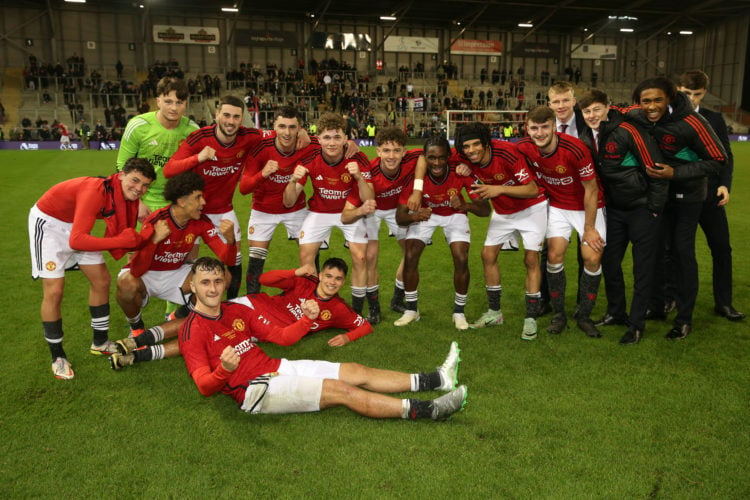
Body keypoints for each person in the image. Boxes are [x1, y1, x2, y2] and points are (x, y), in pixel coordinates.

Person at [178, 257, 467, 420]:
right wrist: (224, 370)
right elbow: (204, 386)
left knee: (355, 371)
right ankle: (429, 410)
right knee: (341, 390)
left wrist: (306, 320)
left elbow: (282, 337)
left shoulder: (234, 308)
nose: (213, 288)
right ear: (193, 286)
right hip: (255, 390)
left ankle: (437, 379)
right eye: (205, 283)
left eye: (217, 281)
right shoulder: (191, 330)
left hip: (275, 365)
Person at [109, 257, 373, 368]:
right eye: (328, 275)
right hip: (251, 305)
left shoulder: (338, 309)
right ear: (321, 274)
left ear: (343, 282)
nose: (331, 282)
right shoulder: (305, 283)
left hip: (264, 331)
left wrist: (347, 337)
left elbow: (365, 326)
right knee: (198, 323)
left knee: (209, 339)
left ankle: (139, 356)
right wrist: (295, 272)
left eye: (338, 279)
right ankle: (135, 341)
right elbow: (267, 279)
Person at [28, 158, 156, 379]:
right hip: (49, 225)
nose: (139, 189)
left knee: (101, 280)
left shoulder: (120, 192)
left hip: (77, 224)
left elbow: (80, 235)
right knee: (54, 291)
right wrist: (120, 241)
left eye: (145, 185)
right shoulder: (95, 191)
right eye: (135, 181)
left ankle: (100, 342)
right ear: (122, 174)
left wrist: (139, 208)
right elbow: (78, 241)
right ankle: (57, 356)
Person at [625, 77, 727, 339]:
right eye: (645, 101)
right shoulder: (640, 116)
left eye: (657, 100)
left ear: (669, 98)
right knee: (656, 252)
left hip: (688, 199)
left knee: (682, 254)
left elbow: (718, 159)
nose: (651, 106)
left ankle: (683, 318)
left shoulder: (693, 121)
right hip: (657, 198)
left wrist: (675, 173)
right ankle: (658, 306)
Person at [577, 89, 669, 345]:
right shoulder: (587, 135)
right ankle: (616, 312)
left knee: (642, 268)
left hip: (642, 210)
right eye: (587, 111)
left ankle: (636, 324)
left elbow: (656, 168)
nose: (592, 115)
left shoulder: (628, 130)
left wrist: (654, 208)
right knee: (611, 261)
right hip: (614, 211)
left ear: (608, 107)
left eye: (596, 109)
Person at [115, 171, 237, 349]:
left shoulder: (201, 221)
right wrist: (155, 240)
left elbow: (227, 259)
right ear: (181, 201)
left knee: (222, 277)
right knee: (126, 284)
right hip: (147, 272)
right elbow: (137, 269)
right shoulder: (156, 220)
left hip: (176, 273)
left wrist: (231, 241)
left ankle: (180, 315)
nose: (203, 202)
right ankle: (137, 328)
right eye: (198, 197)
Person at [163, 95, 268, 299]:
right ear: (217, 114)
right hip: (193, 212)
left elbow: (281, 135)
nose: (230, 121)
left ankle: (231, 305)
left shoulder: (249, 136)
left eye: (236, 117)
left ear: (242, 118)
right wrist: (199, 157)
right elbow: (169, 170)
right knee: (189, 264)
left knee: (234, 258)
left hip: (223, 210)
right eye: (226, 115)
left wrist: (310, 137)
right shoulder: (200, 138)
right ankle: (187, 309)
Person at [516, 106, 606, 338]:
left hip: (588, 207)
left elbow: (592, 188)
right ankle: (559, 314)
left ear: (554, 126)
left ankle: (584, 315)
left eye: (545, 127)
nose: (539, 133)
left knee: (592, 258)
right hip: (557, 207)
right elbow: (496, 153)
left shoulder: (575, 149)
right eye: (534, 128)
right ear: (527, 128)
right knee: (554, 256)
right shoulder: (524, 147)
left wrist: (588, 228)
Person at [452, 122, 548, 340]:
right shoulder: (463, 156)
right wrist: (461, 166)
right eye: (466, 147)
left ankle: (530, 318)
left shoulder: (507, 152)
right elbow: (429, 155)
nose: (471, 150)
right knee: (487, 255)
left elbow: (532, 189)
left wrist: (498, 189)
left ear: (486, 142)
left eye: (476, 145)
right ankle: (495, 313)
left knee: (531, 259)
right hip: (503, 212)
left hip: (532, 209)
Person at [394, 135, 491, 330]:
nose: (437, 163)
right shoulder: (415, 179)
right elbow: (400, 218)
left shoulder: (460, 173)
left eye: (441, 158)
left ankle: (459, 313)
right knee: (411, 254)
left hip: (454, 215)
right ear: (425, 158)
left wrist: (465, 205)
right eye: (431, 158)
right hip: (426, 215)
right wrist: (416, 216)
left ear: (449, 157)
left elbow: (485, 210)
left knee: (461, 258)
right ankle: (412, 310)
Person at [283, 113, 374, 314]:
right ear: (319, 139)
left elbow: (369, 198)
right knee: (306, 254)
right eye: (326, 137)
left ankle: (356, 311)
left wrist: (359, 177)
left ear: (345, 138)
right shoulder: (309, 158)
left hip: (350, 211)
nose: (331, 143)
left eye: (337, 137)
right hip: (319, 211)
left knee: (360, 257)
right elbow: (288, 201)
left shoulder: (357, 157)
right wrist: (291, 181)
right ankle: (314, 306)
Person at [676, 70, 744, 322]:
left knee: (722, 249)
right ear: (678, 90)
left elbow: (726, 155)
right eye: (687, 94)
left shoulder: (714, 118)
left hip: (711, 195)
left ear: (704, 93)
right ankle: (672, 298)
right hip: (680, 196)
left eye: (697, 94)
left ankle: (724, 302)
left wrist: (725, 185)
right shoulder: (666, 119)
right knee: (677, 251)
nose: (692, 99)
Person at [340, 127, 423, 323]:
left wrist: (417, 188)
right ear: (378, 152)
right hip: (372, 210)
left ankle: (397, 299)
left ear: (404, 152)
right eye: (386, 150)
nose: (392, 156)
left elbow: (434, 153)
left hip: (398, 210)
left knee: (411, 254)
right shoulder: (369, 171)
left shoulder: (413, 158)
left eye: (396, 150)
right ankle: (374, 308)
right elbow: (347, 211)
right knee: (370, 257)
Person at [239, 106, 319, 295]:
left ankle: (315, 297)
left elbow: (336, 143)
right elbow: (244, 188)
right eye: (282, 126)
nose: (287, 132)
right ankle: (253, 301)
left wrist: (351, 144)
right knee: (256, 261)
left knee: (311, 254)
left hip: (296, 210)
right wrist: (263, 174)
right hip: (263, 210)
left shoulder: (308, 145)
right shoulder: (261, 147)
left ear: (300, 128)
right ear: (274, 125)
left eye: (292, 127)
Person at [117, 76, 199, 221]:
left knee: (186, 244)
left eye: (179, 102)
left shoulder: (193, 131)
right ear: (158, 101)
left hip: (176, 201)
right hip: (142, 198)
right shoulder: (138, 126)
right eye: (168, 101)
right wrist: (137, 202)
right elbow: (122, 167)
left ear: (185, 104)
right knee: (137, 243)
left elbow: (196, 171)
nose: (174, 108)